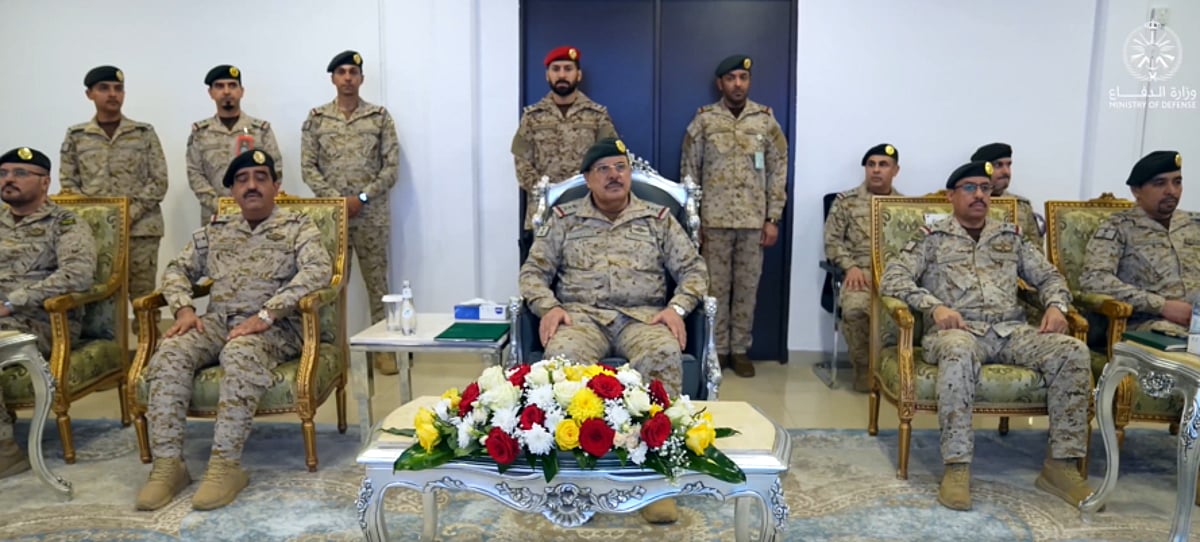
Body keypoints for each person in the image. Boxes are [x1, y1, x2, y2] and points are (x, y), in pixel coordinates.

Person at [880, 160, 1093, 511]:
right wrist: (934, 307)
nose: (979, 195)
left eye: (985, 188)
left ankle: (1061, 466)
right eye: (970, 187)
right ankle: (957, 467)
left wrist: (1056, 306)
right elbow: (893, 278)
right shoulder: (932, 237)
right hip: (958, 330)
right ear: (951, 196)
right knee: (958, 351)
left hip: (1011, 330)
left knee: (1072, 351)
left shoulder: (1010, 237)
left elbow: (1051, 277)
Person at [519, 138, 708, 524]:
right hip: (581, 317)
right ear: (587, 178)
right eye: (603, 169)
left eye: (620, 167)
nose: (614, 175)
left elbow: (694, 270)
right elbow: (533, 272)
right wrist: (548, 307)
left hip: (643, 318)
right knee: (562, 361)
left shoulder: (657, 219)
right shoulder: (564, 219)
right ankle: (572, 479)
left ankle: (656, 480)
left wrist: (677, 308)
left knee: (662, 353)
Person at [136, 150, 331, 511]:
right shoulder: (216, 230)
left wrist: (268, 313)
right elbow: (177, 269)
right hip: (218, 320)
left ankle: (224, 467)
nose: (251, 186)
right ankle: (168, 466)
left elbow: (318, 271)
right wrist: (183, 308)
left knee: (240, 353)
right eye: (242, 180)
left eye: (260, 177)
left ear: (276, 186)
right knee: (172, 350)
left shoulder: (298, 227)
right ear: (232, 191)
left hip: (277, 328)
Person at [680, 54, 788, 377]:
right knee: (713, 289)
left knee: (746, 289)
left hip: (753, 222)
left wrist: (773, 218)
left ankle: (739, 349)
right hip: (713, 222)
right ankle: (717, 350)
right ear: (720, 83)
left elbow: (778, 170)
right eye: (731, 78)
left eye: (743, 77)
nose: (737, 84)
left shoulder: (765, 120)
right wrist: (694, 221)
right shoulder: (704, 120)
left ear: (749, 81)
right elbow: (689, 171)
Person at [301, 50, 400, 375]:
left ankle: (384, 351)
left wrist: (361, 197)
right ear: (333, 78)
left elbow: (391, 167)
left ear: (361, 78)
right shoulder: (317, 119)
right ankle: (332, 355)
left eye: (353, 72)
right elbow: (308, 168)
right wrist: (337, 201)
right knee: (329, 288)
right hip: (332, 220)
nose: (347, 78)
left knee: (378, 286)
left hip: (371, 217)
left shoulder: (379, 118)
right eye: (341, 72)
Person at [0, 147, 96, 480]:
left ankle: (6, 450)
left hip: (40, 320)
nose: (9, 180)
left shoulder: (65, 223)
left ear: (45, 182)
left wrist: (13, 302)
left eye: (20, 173)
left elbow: (78, 274)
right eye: (3, 173)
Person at [60, 65, 168, 304]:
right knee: (97, 296)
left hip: (140, 229)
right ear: (89, 94)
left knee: (143, 299)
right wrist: (95, 217)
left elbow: (159, 180)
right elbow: (68, 183)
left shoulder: (143, 133)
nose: (112, 94)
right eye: (104, 88)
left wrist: (129, 214)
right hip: (95, 231)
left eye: (118, 89)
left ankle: (144, 331)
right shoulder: (77, 136)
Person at [511, 45, 618, 263]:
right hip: (543, 215)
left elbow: (611, 160)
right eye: (556, 69)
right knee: (539, 275)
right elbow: (521, 162)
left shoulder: (597, 115)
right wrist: (547, 193)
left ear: (578, 75)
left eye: (568, 69)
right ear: (547, 75)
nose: (562, 75)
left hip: (587, 213)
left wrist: (587, 190)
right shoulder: (532, 117)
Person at [1080, 150, 1197, 334]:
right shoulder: (1118, 227)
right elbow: (1094, 280)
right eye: (1160, 183)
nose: (1171, 191)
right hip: (1147, 323)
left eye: (1177, 182)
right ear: (1136, 190)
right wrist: (1161, 306)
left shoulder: (1193, 224)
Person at [822, 143, 903, 391]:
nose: (876, 170)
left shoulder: (904, 206)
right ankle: (864, 370)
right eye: (871, 165)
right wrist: (850, 267)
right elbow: (832, 241)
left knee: (914, 312)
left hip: (895, 277)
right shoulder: (846, 202)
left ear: (895, 171)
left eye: (883, 165)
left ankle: (897, 372)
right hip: (860, 275)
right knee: (856, 309)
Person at [187, 64, 283, 225]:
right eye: (219, 86)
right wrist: (219, 205)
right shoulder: (200, 132)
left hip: (256, 215)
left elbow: (276, 170)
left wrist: (254, 203)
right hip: (215, 216)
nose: (226, 91)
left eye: (232, 85)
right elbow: (194, 173)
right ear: (211, 93)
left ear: (241, 91)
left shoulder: (260, 130)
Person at [971, 143, 1042, 250]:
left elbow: (1036, 250)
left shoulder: (1022, 206)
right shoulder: (966, 203)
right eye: (998, 165)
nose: (1006, 172)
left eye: (1008, 165)